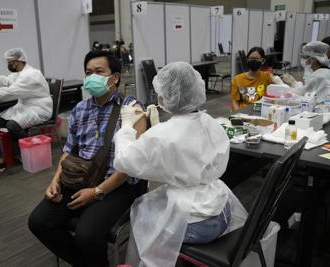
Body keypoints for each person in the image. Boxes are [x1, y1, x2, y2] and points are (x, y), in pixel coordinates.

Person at [113, 62, 247, 267]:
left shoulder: (163, 135)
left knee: (136, 222)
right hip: (222, 210)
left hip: (196, 224)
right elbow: (184, 150)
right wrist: (157, 130)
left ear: (166, 96)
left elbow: (124, 161)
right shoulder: (210, 121)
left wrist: (126, 128)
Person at [28, 50, 147, 267]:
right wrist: (55, 181)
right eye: (88, 72)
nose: (92, 77)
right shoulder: (79, 109)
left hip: (119, 184)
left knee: (87, 235)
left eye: (99, 72)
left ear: (115, 77)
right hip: (80, 176)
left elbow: (132, 165)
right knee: (39, 222)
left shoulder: (132, 110)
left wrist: (97, 192)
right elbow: (69, 151)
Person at [0, 48, 52, 147]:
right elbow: (8, 80)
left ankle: (30, 149)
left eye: (10, 62)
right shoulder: (22, 72)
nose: (9, 65)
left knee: (12, 125)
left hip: (39, 109)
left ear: (18, 61)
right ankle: (9, 149)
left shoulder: (30, 75)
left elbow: (9, 93)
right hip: (24, 106)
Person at [231, 47, 274, 111]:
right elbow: (235, 102)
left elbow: (274, 96)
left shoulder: (267, 77)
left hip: (262, 111)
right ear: (247, 60)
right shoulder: (237, 79)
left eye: (256, 59)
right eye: (251, 58)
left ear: (262, 61)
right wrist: (238, 114)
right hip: (243, 111)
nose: (253, 61)